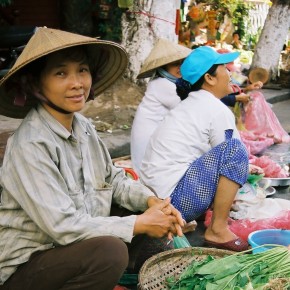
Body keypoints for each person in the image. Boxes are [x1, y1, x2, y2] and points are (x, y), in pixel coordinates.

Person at [0, 27, 185, 290]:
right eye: (61, 73)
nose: (77, 83)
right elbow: (62, 226)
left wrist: (151, 201)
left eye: (82, 70)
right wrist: (139, 224)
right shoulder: (30, 144)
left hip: (69, 249)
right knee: (110, 252)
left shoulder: (83, 126)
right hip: (27, 266)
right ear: (37, 83)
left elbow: (113, 180)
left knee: (140, 212)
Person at [139, 46, 250, 252]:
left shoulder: (190, 104)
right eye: (225, 69)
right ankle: (218, 230)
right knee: (235, 150)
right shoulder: (214, 108)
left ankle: (205, 221)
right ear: (209, 78)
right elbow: (231, 158)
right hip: (174, 202)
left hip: (156, 199)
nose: (230, 74)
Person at [130, 38, 192, 175]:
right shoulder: (162, 84)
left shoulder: (164, 82)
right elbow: (187, 108)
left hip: (153, 137)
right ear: (164, 67)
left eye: (182, 63)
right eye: (175, 64)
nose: (180, 68)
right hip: (147, 140)